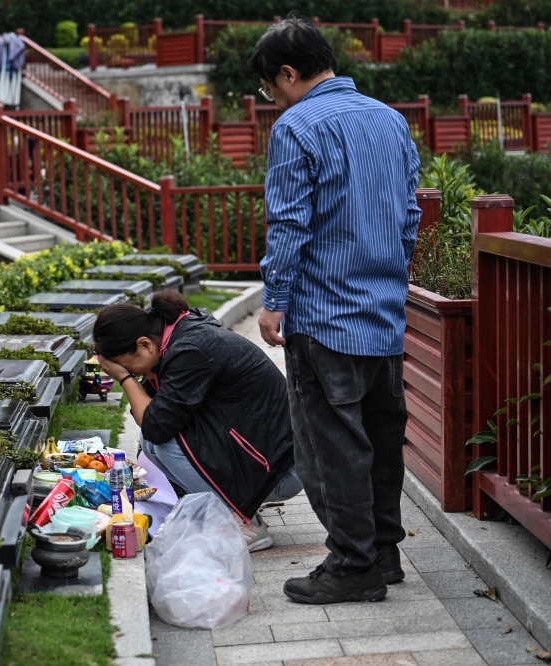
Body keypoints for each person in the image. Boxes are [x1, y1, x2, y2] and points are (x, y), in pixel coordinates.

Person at [250, 16, 421, 604]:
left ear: (289, 74)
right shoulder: (390, 119)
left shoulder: (297, 126)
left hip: (325, 316)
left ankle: (352, 565)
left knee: (331, 447)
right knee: (379, 435)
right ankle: (383, 553)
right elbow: (409, 216)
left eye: (270, 89)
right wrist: (390, 281)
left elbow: (291, 222)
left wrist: (275, 303)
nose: (272, 101)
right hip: (384, 315)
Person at [94, 290, 301, 552]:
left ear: (145, 344)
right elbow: (154, 416)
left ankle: (244, 525)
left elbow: (156, 426)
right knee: (154, 441)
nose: (135, 374)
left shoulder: (190, 350)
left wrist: (124, 380)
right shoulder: (179, 338)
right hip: (266, 462)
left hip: (282, 473)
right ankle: (229, 512)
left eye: (129, 366)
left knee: (164, 441)